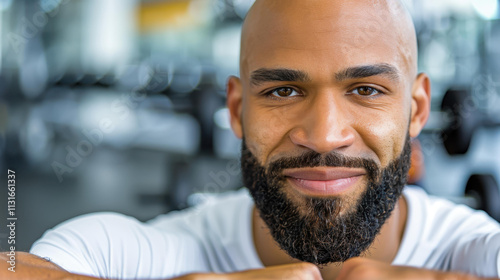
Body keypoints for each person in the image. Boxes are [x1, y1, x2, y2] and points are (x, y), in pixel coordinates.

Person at [2, 0, 500, 279]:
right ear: (238, 110)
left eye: (365, 90)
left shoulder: (469, 250)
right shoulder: (151, 253)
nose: (325, 135)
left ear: (415, 110)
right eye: (284, 90)